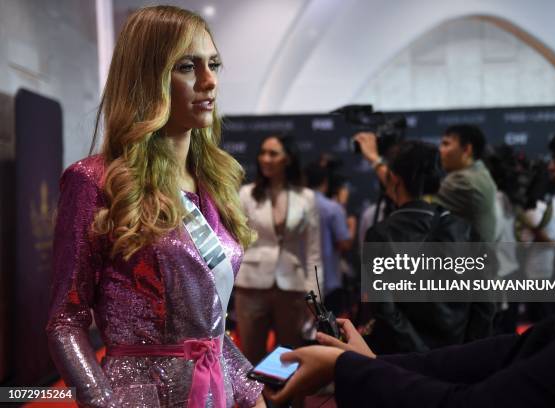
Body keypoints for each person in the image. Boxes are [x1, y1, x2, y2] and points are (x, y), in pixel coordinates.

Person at [264, 93, 555, 408]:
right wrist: (372, 365)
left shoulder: (458, 187)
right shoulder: (463, 219)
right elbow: (504, 346)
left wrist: (357, 367)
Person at [46, 6, 264, 407]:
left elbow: (209, 332)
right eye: (187, 66)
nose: (209, 80)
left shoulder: (213, 183)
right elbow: (65, 322)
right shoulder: (95, 180)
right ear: (148, 77)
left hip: (218, 392)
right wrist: (102, 402)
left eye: (213, 64)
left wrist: (251, 394)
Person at [361, 140, 493, 354]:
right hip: (457, 359)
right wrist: (466, 354)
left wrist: (423, 357)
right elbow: (485, 305)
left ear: (394, 179)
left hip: (404, 364)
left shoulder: (379, 235)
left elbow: (384, 311)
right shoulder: (465, 230)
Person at [235, 135, 322, 365]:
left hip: (292, 287)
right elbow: (235, 241)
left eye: (273, 153)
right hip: (250, 286)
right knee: (249, 360)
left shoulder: (306, 197)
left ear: (288, 159)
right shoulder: (246, 194)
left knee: (291, 358)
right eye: (262, 152)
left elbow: (314, 252)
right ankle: (256, 402)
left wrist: (315, 293)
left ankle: (290, 402)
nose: (265, 158)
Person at [355, 124, 499, 242]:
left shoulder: (465, 181)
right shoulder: (479, 172)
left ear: (467, 149)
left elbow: (410, 191)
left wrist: (374, 158)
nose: (440, 149)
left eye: (446, 144)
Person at [305, 163, 352, 316]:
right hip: (329, 281)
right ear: (325, 182)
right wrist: (351, 226)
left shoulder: (297, 205)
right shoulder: (333, 208)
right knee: (331, 334)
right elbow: (343, 244)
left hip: (299, 281)